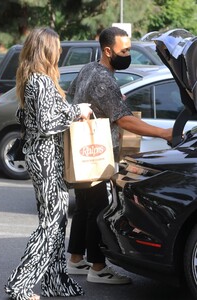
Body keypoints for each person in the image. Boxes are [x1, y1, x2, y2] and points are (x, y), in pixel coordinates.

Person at [67, 26, 173, 284]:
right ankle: (98, 267)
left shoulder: (87, 70)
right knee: (99, 209)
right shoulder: (103, 78)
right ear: (107, 50)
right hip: (97, 155)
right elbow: (124, 120)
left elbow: (74, 101)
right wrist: (163, 133)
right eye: (124, 50)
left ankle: (76, 260)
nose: (128, 54)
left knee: (83, 207)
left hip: (82, 153)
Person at [4, 27, 92, 300]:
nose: (61, 51)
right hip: (46, 161)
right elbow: (47, 123)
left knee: (55, 222)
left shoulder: (32, 79)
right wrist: (77, 110)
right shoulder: (39, 82)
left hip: (44, 158)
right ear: (46, 50)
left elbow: (34, 117)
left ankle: (54, 280)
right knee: (51, 225)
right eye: (57, 46)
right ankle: (20, 284)